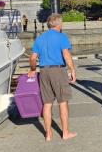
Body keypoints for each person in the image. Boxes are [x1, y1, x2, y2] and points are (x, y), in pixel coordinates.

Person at [28, 13, 77, 141]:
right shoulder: (62, 37)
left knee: (47, 103)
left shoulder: (40, 38)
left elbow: (33, 58)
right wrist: (72, 70)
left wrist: (33, 70)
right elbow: (66, 54)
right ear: (59, 24)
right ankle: (65, 133)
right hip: (58, 71)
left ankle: (48, 134)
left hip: (44, 71)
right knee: (63, 102)